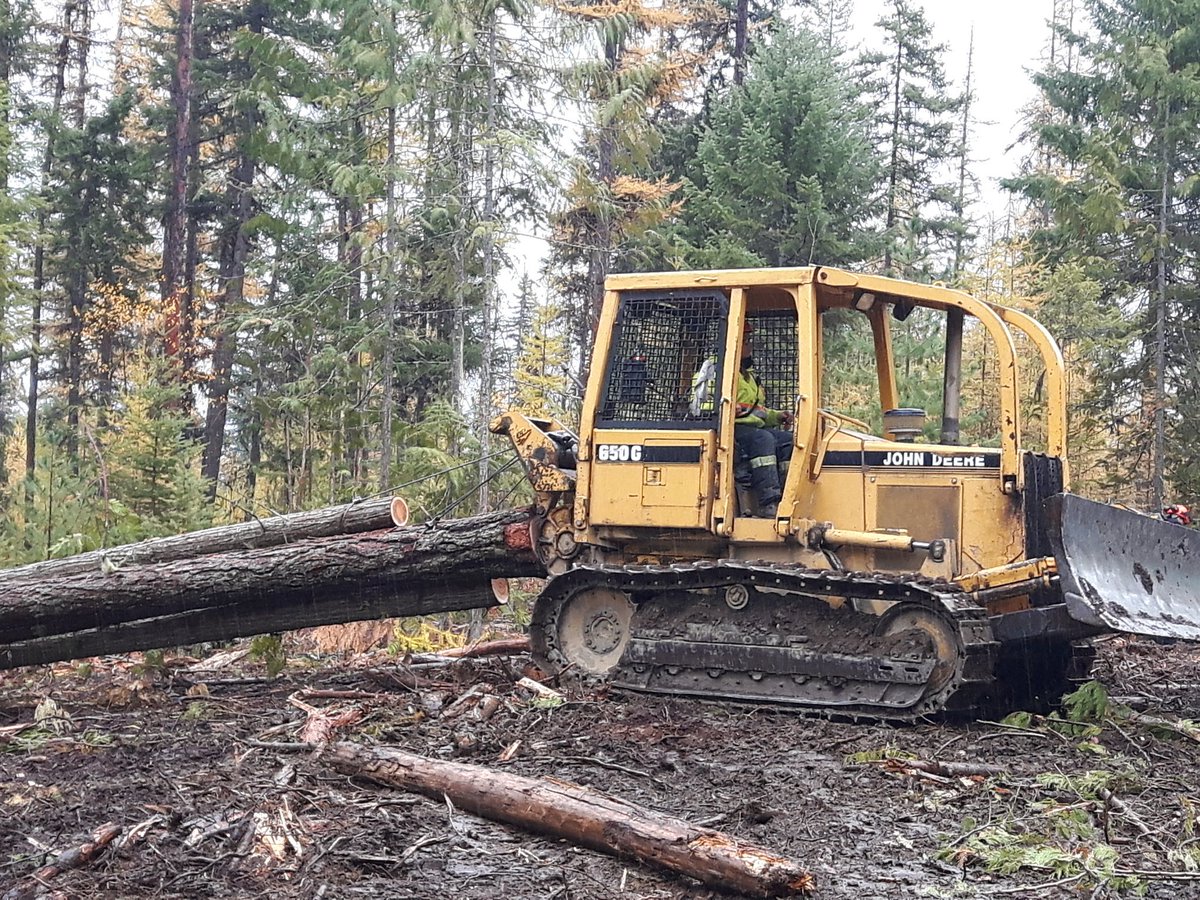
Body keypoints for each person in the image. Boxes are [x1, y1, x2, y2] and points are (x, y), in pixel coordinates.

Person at [690, 322, 793, 517]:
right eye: (745, 340)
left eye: (749, 340)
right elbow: (698, 405)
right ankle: (768, 503)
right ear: (733, 342)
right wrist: (726, 409)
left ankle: (787, 496)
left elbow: (759, 412)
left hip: (752, 430)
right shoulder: (714, 370)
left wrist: (778, 416)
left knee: (788, 440)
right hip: (728, 431)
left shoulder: (750, 376)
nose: (749, 345)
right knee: (763, 440)